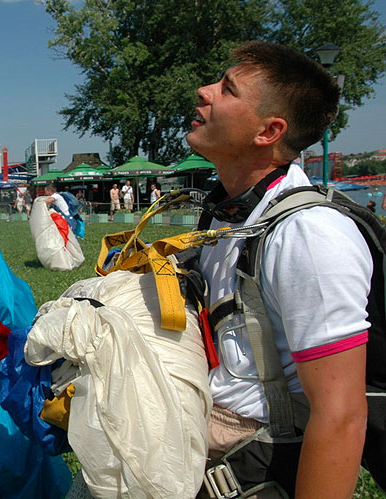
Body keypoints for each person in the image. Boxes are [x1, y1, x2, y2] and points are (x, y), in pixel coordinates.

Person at [188, 41, 368, 497]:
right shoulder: (230, 213)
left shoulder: (309, 234)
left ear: (269, 131)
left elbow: (341, 415)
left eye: (227, 89)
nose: (204, 91)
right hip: (199, 436)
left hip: (248, 463)